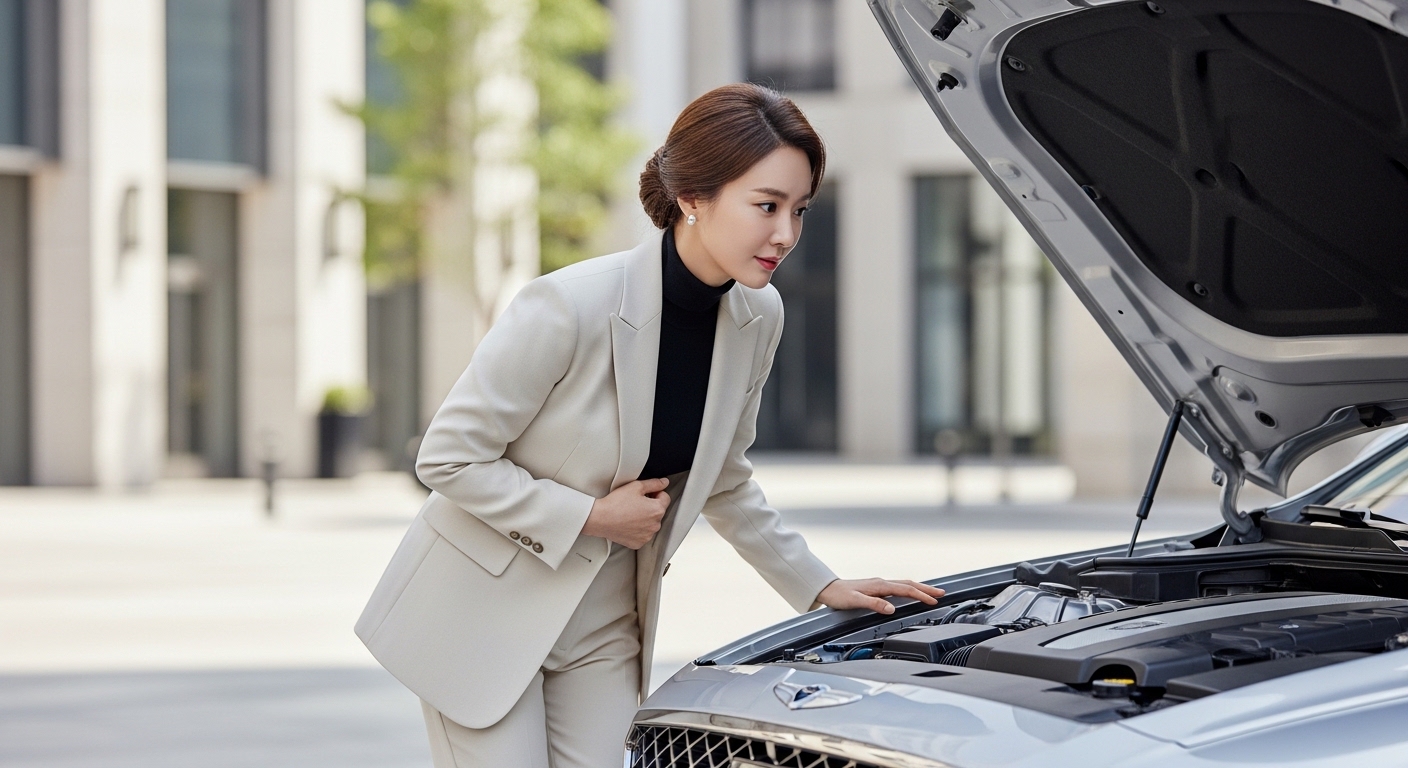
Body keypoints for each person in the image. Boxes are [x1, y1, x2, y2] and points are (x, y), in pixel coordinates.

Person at [355, 82, 946, 768]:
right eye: (766, 206)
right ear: (694, 198)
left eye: (799, 209)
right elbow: (449, 457)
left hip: (607, 620)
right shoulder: (568, 305)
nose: (785, 233)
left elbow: (723, 475)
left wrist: (819, 586)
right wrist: (589, 516)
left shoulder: (760, 317)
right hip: (484, 610)